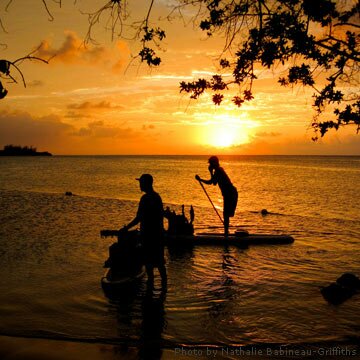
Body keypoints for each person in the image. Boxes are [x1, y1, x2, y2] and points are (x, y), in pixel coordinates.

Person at [122, 174, 167, 288]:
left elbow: (138, 218)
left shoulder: (145, 199)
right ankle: (164, 293)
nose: (140, 185)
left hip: (147, 237)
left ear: (146, 184)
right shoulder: (157, 197)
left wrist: (126, 228)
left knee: (149, 266)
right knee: (160, 264)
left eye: (141, 183)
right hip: (158, 236)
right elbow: (160, 217)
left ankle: (150, 292)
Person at [195, 156, 238, 237]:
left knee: (226, 214)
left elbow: (212, 182)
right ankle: (226, 233)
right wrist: (203, 178)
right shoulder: (218, 170)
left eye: (211, 163)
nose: (210, 165)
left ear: (215, 163)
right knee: (226, 215)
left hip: (230, 193)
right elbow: (214, 182)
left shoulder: (218, 170)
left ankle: (226, 235)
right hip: (228, 193)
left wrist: (202, 179)